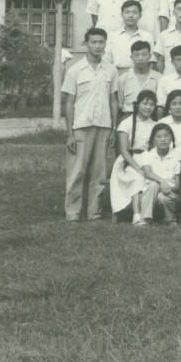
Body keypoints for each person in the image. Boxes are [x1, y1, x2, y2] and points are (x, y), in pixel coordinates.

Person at [62, 28, 118, 222]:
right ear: (86, 44)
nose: (97, 46)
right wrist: (70, 134)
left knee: (99, 172)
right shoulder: (75, 70)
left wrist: (113, 129)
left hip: (103, 126)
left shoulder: (111, 70)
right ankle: (72, 212)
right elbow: (69, 103)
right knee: (77, 171)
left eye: (101, 42)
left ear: (105, 44)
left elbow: (113, 101)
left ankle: (94, 212)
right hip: (81, 127)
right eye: (93, 42)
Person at [109, 90, 159, 222]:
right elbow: (124, 150)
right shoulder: (126, 123)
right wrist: (138, 168)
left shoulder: (155, 125)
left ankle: (146, 214)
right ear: (137, 104)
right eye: (145, 103)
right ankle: (136, 216)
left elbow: (155, 150)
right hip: (128, 160)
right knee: (137, 177)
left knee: (151, 179)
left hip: (147, 160)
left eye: (152, 104)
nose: (148, 107)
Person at [134, 123, 181, 227]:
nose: (163, 139)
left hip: (170, 194)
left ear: (171, 138)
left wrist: (164, 188)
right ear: (153, 140)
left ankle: (170, 219)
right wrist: (162, 181)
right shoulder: (147, 154)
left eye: (166, 136)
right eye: (158, 136)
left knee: (162, 197)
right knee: (153, 184)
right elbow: (147, 173)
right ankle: (145, 219)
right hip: (149, 194)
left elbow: (177, 187)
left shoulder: (176, 156)